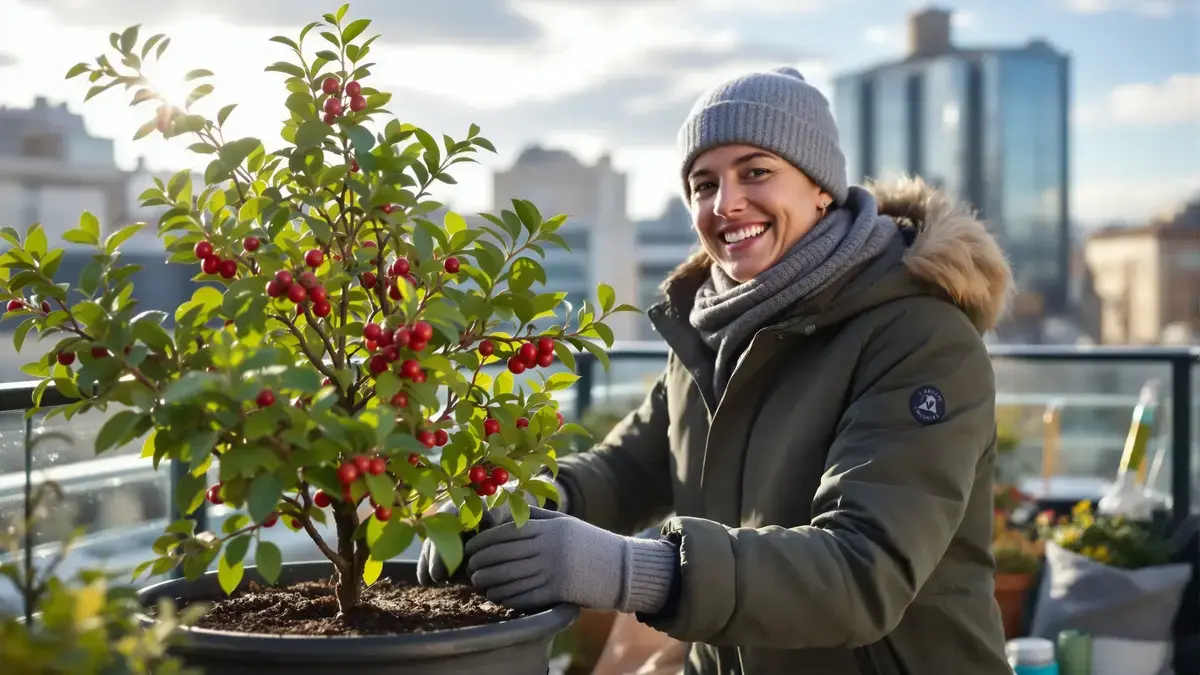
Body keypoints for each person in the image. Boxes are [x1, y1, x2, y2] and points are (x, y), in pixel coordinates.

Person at [418, 65, 1013, 674]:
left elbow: (864, 571)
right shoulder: (712, 330)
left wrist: (628, 570)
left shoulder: (920, 338)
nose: (726, 204)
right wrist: (512, 507)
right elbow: (627, 471)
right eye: (704, 184)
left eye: (757, 171)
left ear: (820, 188)